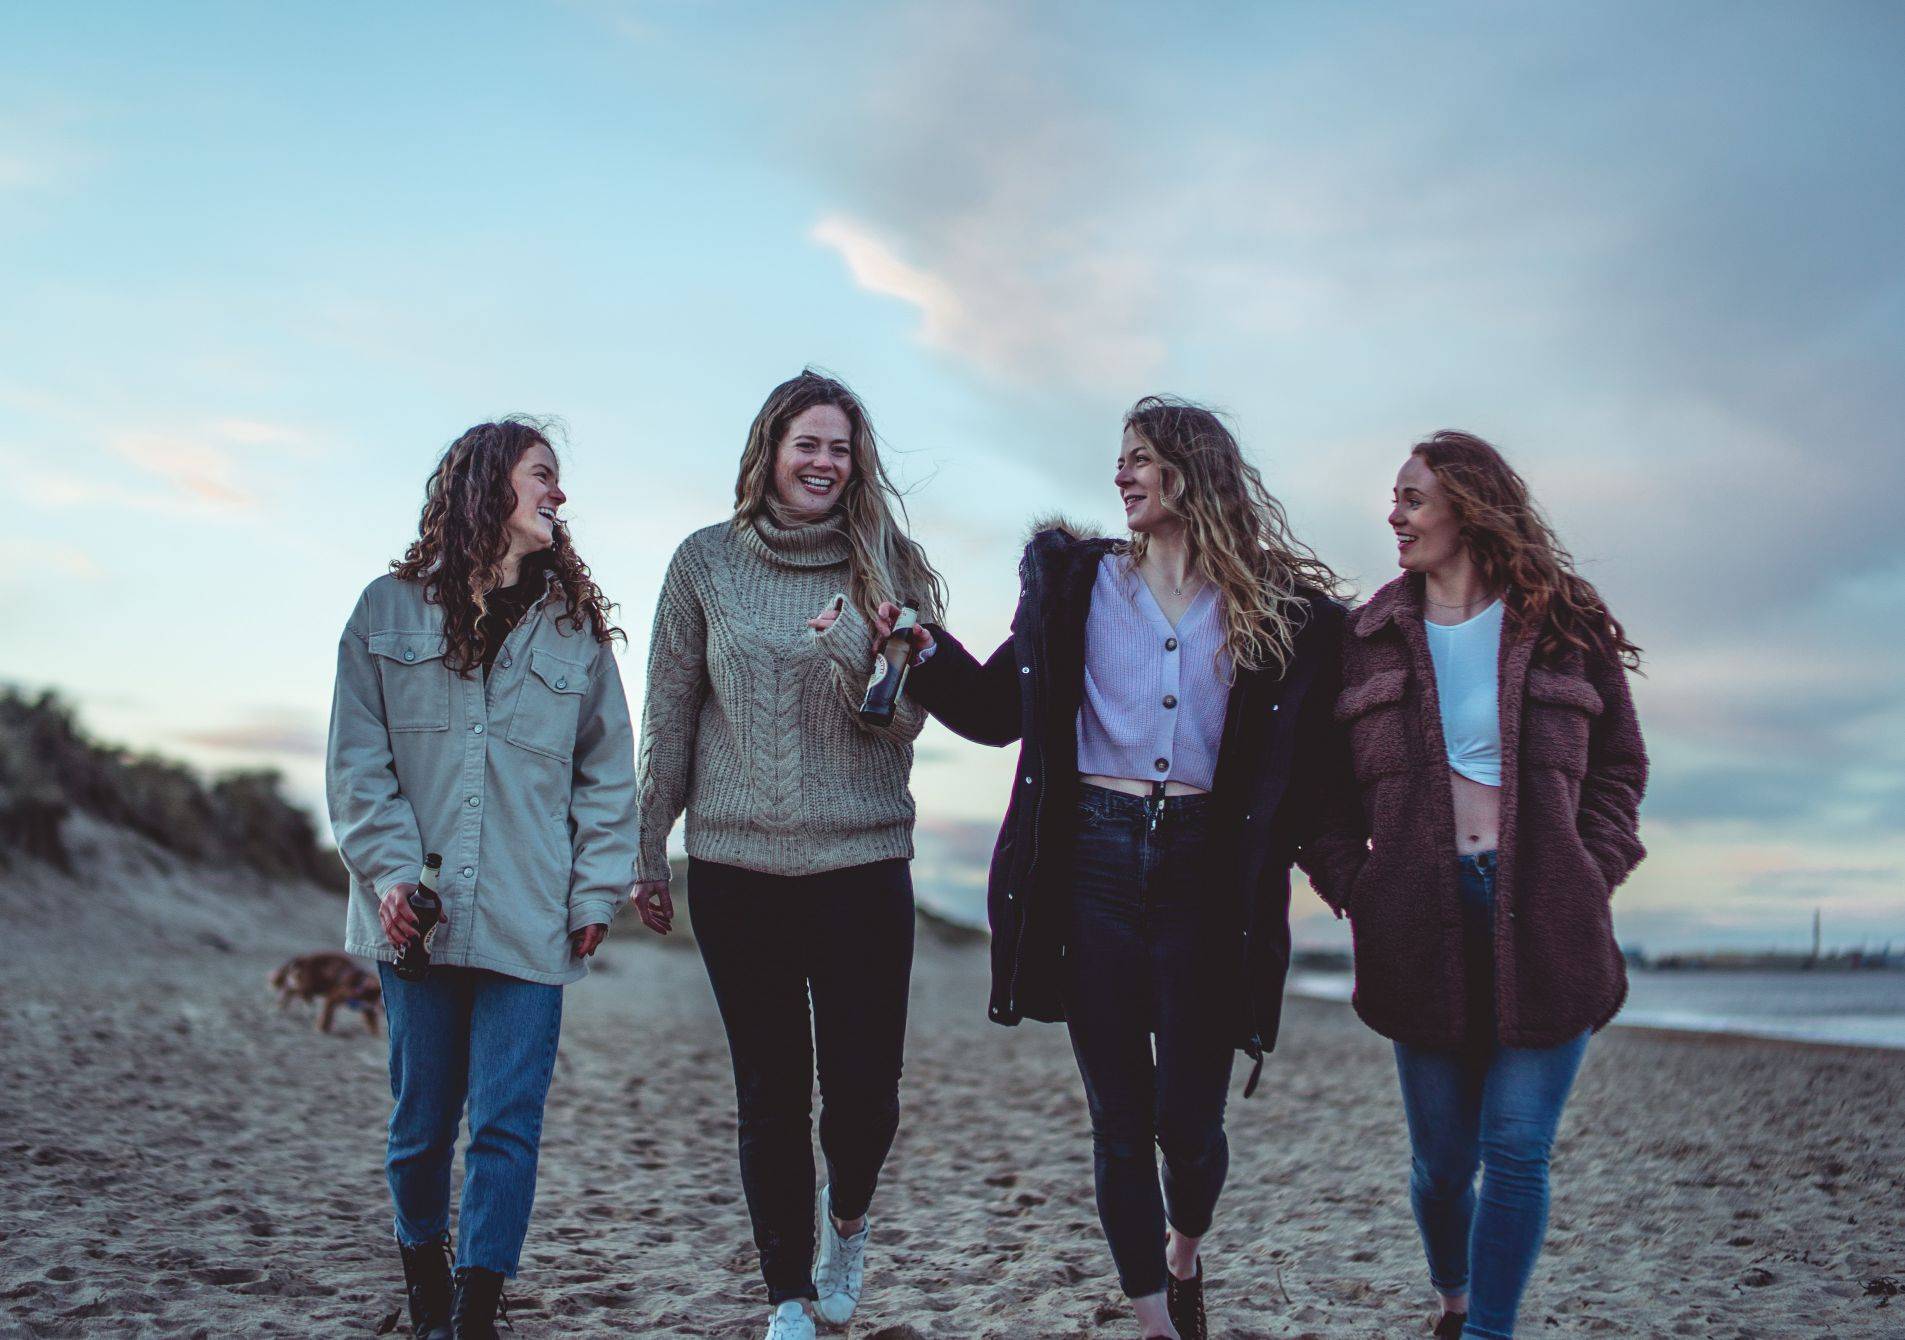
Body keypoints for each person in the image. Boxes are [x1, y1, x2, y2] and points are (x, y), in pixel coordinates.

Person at [899, 397, 1361, 1340]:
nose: (1121, 475)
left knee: (1189, 1125)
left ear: (1191, 472)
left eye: (1140, 458)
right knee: (1117, 1118)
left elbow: (1312, 773)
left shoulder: (1277, 611)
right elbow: (994, 710)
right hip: (1092, 866)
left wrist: (1366, 872)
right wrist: (917, 644)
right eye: (1120, 459)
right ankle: (1155, 1322)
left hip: (1206, 876)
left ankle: (1184, 1253)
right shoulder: (1074, 586)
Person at [631, 370, 945, 1340]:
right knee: (769, 1091)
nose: (822, 461)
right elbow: (671, 713)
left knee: (864, 1097)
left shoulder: (892, 564)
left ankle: (846, 1218)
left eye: (839, 447)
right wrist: (648, 844)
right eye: (806, 442)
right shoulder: (703, 564)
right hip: (735, 868)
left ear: (857, 463)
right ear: (769, 448)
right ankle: (787, 1298)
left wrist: (859, 639)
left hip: (860, 863)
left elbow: (902, 727)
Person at [1320, 431, 1648, 1340]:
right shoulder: (1368, 637)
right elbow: (1319, 793)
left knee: (1515, 1150)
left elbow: (1619, 767)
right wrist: (1358, 884)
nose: (1394, 515)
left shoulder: (1563, 623)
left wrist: (1594, 868)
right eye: (1393, 499)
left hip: (1546, 914)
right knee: (1440, 1165)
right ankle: (1453, 1297)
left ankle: (1487, 1331)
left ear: (1469, 505)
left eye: (1412, 499)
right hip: (1416, 922)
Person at [326, 418, 636, 1339]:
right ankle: (425, 1285)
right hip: (411, 917)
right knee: (421, 1121)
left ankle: (474, 1314)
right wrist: (387, 875)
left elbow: (606, 774)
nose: (560, 493)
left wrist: (593, 894)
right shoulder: (384, 611)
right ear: (487, 485)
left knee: (506, 1125)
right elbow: (357, 765)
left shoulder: (577, 632)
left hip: (530, 917)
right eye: (544, 474)